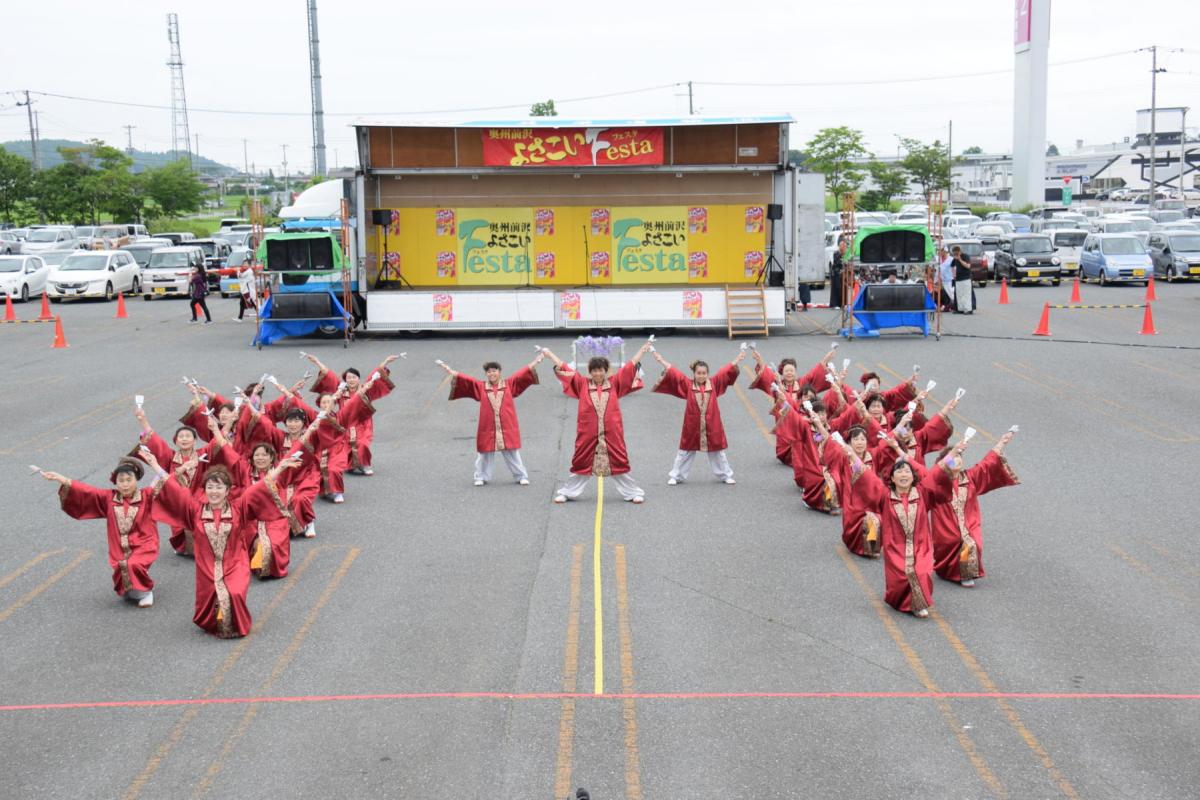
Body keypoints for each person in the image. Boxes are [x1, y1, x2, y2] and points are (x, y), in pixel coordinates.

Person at [147, 450, 299, 638]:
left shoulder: (238, 507)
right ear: (204, 490)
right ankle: (213, 621)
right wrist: (154, 464)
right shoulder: (195, 509)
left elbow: (259, 488)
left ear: (227, 491)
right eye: (210, 487)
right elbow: (173, 489)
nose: (214, 491)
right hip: (207, 566)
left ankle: (236, 625)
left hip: (235, 562)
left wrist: (280, 468)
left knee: (233, 593)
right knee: (211, 598)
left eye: (219, 488)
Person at [39, 458, 163, 609]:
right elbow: (87, 491)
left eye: (129, 480)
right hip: (119, 545)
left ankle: (146, 592)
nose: (124, 484)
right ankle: (134, 588)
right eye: (121, 480)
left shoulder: (147, 496)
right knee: (123, 568)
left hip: (145, 541)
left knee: (133, 565)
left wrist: (156, 465)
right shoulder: (109, 498)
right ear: (115, 482)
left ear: (136, 480)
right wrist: (62, 479)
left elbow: (164, 482)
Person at [856, 443, 961, 618]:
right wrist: (851, 455)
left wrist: (956, 451)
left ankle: (918, 603)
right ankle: (900, 601)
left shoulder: (923, 492)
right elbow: (868, 478)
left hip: (921, 545)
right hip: (896, 546)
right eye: (899, 472)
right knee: (901, 577)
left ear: (913, 477)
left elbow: (938, 472)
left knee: (921, 572)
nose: (903, 475)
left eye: (907, 472)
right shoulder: (885, 495)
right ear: (892, 478)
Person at [542, 342, 651, 504]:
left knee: (618, 462)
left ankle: (632, 492)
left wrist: (642, 350)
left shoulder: (615, 383)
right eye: (594, 370)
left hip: (611, 432)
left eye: (600, 370)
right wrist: (549, 354)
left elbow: (630, 366)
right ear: (590, 372)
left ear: (605, 371)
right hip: (588, 432)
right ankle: (568, 492)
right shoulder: (582, 383)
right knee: (581, 462)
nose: (597, 373)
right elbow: (565, 367)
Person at [929, 429, 1019, 587]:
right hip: (946, 524)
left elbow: (988, 463)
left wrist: (1002, 442)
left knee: (971, 542)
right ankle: (946, 570)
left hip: (969, 522)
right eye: (952, 459)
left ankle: (965, 572)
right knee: (952, 540)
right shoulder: (937, 480)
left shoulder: (969, 477)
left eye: (959, 458)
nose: (956, 461)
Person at [439, 351, 543, 486]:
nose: (491, 374)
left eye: (494, 371)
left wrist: (537, 361)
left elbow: (522, 373)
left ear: (499, 372)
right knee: (484, 453)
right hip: (488, 425)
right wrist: (450, 371)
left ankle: (521, 476)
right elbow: (467, 380)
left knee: (512, 451)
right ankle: (480, 477)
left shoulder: (509, 384)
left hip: (507, 425)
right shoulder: (481, 387)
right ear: (486, 374)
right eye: (488, 372)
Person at [131, 404, 220, 556]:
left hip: (200, 498)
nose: (184, 439)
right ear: (176, 441)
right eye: (181, 437)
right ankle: (186, 544)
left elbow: (218, 444)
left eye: (188, 436)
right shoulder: (170, 456)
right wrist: (143, 419)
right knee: (186, 543)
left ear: (194, 440)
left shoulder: (203, 454)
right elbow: (155, 441)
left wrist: (216, 427)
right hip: (177, 500)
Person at [651, 346, 745, 485]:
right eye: (698, 373)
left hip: (712, 424)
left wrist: (738, 358)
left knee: (717, 452)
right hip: (692, 425)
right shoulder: (687, 385)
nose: (701, 376)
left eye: (704, 373)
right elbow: (674, 372)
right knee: (685, 451)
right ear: (694, 373)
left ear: (707, 374)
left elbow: (725, 370)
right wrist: (661, 360)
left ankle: (725, 475)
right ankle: (676, 476)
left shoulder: (714, 383)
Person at [305, 354, 399, 476]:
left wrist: (385, 362)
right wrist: (317, 361)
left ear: (358, 378)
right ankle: (351, 465)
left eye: (354, 377)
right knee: (346, 444)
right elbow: (329, 375)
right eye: (348, 378)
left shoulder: (366, 388)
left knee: (362, 443)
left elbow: (375, 375)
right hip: (345, 422)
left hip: (362, 423)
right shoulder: (340, 390)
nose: (351, 380)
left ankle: (365, 464)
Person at [952, 247, 975, 314]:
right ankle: (960, 309)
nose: (956, 254)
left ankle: (968, 309)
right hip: (958, 278)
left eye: (956, 253)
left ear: (959, 251)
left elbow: (968, 266)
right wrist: (953, 274)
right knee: (959, 294)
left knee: (966, 294)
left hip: (966, 278)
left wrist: (960, 260)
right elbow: (952, 266)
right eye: (954, 253)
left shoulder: (965, 256)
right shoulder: (955, 258)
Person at [830, 238, 848, 309]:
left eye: (845, 246)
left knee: (844, 289)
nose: (844, 247)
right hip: (836, 273)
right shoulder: (836, 253)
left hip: (843, 273)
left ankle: (843, 304)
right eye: (843, 246)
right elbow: (837, 262)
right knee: (836, 288)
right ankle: (835, 304)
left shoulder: (846, 254)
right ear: (840, 246)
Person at [938, 247, 955, 312]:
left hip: (949, 279)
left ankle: (954, 305)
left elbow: (954, 269)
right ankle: (949, 306)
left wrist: (954, 277)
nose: (939, 252)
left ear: (945, 251)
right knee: (945, 294)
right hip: (942, 279)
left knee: (951, 293)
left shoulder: (951, 259)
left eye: (941, 251)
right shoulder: (939, 259)